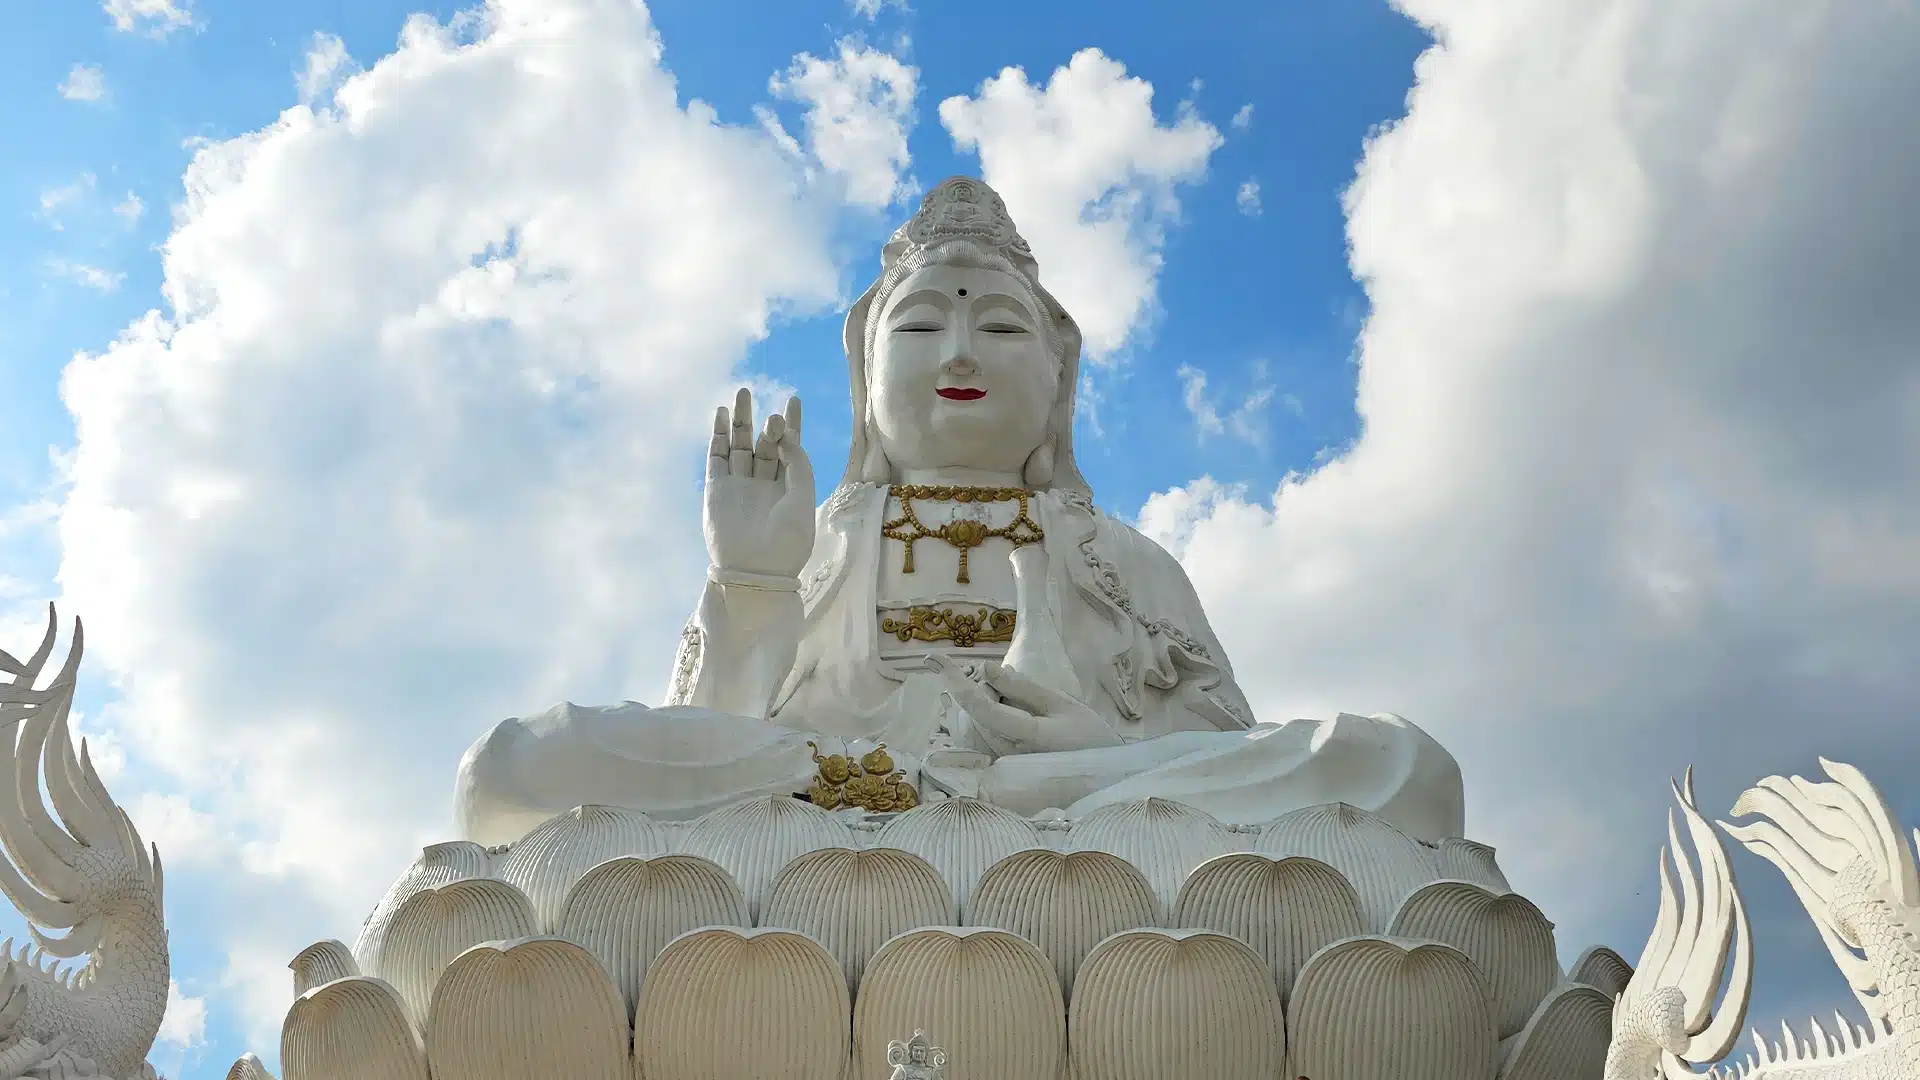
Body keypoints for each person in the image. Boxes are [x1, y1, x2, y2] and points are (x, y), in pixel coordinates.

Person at [454, 178, 1463, 848]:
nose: (961, 355)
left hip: (1082, 813)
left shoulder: (1119, 557)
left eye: (999, 325)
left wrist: (1086, 750)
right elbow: (710, 736)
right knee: (514, 770)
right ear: (864, 373)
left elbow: (1212, 751)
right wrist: (753, 583)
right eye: (925, 323)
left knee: (1396, 766)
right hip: (822, 808)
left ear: (1059, 374)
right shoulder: (826, 542)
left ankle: (1009, 805)